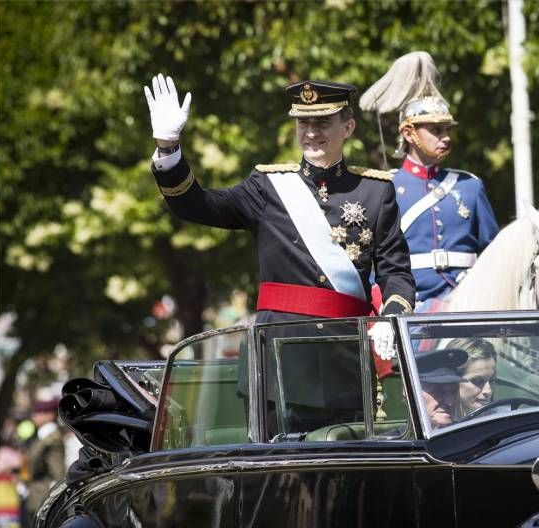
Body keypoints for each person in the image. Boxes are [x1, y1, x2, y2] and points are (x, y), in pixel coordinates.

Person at [144, 74, 415, 344]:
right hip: (277, 345)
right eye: (303, 122)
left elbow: (395, 271)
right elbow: (195, 206)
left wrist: (390, 317)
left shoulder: (376, 191)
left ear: (348, 127)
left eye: (322, 122)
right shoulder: (267, 186)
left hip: (349, 344)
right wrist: (168, 148)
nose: (311, 132)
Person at [360, 52, 499, 311]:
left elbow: (494, 254)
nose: (445, 137)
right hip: (411, 304)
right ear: (408, 133)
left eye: (447, 130)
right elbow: (371, 261)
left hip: (469, 304)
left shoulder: (469, 186)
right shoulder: (384, 187)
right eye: (436, 130)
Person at [24, 398, 66, 522]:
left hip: (45, 492)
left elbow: (57, 471)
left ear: (50, 415)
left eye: (38, 413)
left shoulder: (52, 438)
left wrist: (55, 495)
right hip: (37, 492)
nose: (34, 416)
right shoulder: (43, 436)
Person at [414, 348, 468, 429]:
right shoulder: (395, 439)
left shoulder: (471, 436)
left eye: (454, 391)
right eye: (438, 392)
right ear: (410, 395)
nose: (451, 402)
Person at [445, 338, 497, 416]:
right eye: (477, 381)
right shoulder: (433, 423)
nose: (488, 391)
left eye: (492, 380)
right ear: (452, 380)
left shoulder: (502, 416)